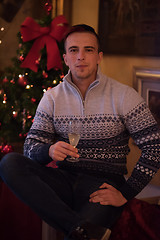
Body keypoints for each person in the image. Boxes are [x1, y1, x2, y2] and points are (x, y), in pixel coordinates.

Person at [0, 24, 160, 240]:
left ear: (99, 57)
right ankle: (80, 227)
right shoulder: (52, 97)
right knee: (9, 163)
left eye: (89, 50)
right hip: (63, 179)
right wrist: (49, 150)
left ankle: (80, 230)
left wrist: (126, 193)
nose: (81, 57)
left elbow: (154, 146)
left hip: (103, 185)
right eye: (74, 50)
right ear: (65, 58)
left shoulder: (124, 96)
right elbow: (30, 148)